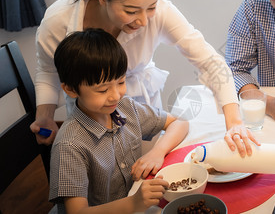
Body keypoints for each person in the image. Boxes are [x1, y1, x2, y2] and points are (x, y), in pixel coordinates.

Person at [30, 0, 257, 156]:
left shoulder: (161, 13)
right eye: (130, 11)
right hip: (91, 117)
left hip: (142, 113)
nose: (142, 20)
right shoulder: (59, 20)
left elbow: (209, 62)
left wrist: (235, 121)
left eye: (151, 7)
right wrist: (45, 116)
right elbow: (48, 72)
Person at [49, 28, 189, 213]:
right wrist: (133, 203)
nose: (115, 95)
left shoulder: (126, 108)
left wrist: (157, 152)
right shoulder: (70, 145)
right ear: (71, 90)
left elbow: (179, 123)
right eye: (102, 90)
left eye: (121, 82)